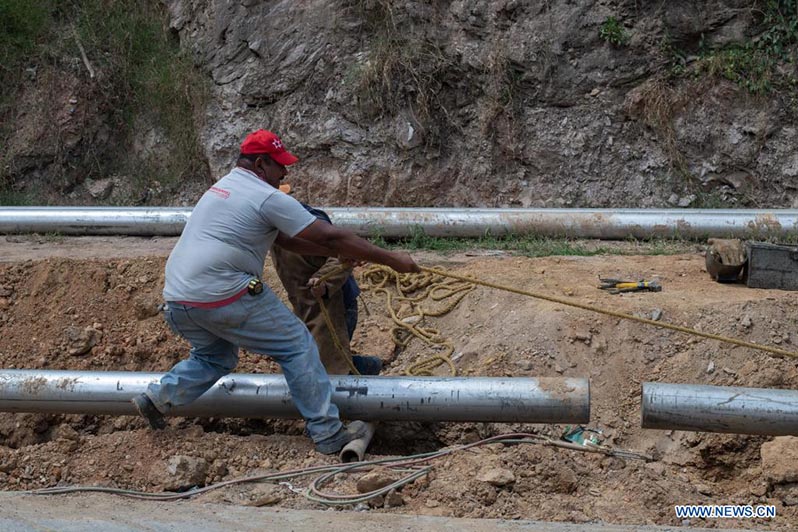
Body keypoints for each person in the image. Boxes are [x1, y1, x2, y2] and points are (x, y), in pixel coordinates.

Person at [131, 129, 419, 455]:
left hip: (179, 300)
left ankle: (158, 398)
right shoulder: (266, 196)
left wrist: (339, 255)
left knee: (215, 357)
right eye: (279, 165)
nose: (285, 173)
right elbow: (330, 237)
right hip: (223, 291)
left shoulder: (222, 188)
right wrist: (393, 259)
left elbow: (284, 240)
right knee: (297, 345)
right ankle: (328, 433)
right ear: (260, 164)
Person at [271, 201, 383, 376]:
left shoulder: (312, 222)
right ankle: (365, 368)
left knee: (327, 366)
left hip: (333, 306)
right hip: (304, 306)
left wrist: (323, 282)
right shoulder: (272, 228)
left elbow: (340, 255)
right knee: (313, 362)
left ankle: (367, 371)